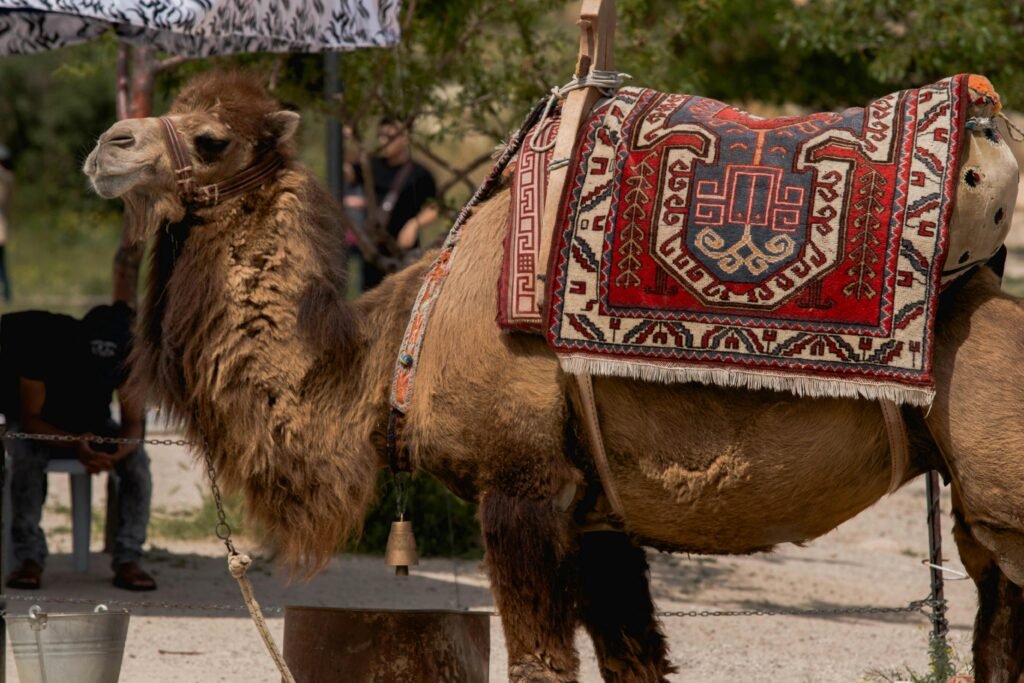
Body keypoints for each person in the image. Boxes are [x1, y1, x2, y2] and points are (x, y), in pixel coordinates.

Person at [3, 303, 156, 590]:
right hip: (43, 426)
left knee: (137, 463)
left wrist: (114, 453)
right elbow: (30, 419)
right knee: (25, 458)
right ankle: (28, 558)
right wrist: (75, 443)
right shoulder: (43, 347)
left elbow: (134, 425)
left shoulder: (128, 357)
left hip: (93, 427)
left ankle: (129, 558)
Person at [351, 117, 438, 290]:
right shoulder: (371, 166)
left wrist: (414, 224)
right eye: (381, 136)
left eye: (390, 136)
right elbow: (347, 172)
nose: (383, 141)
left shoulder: (420, 174)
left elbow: (435, 208)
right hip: (373, 253)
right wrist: (345, 139)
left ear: (405, 137)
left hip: (404, 254)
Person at [0, 144, 13, 302]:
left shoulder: (6, 178)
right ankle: (7, 293)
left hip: (1, 231)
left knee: (2, 265)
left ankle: (8, 294)